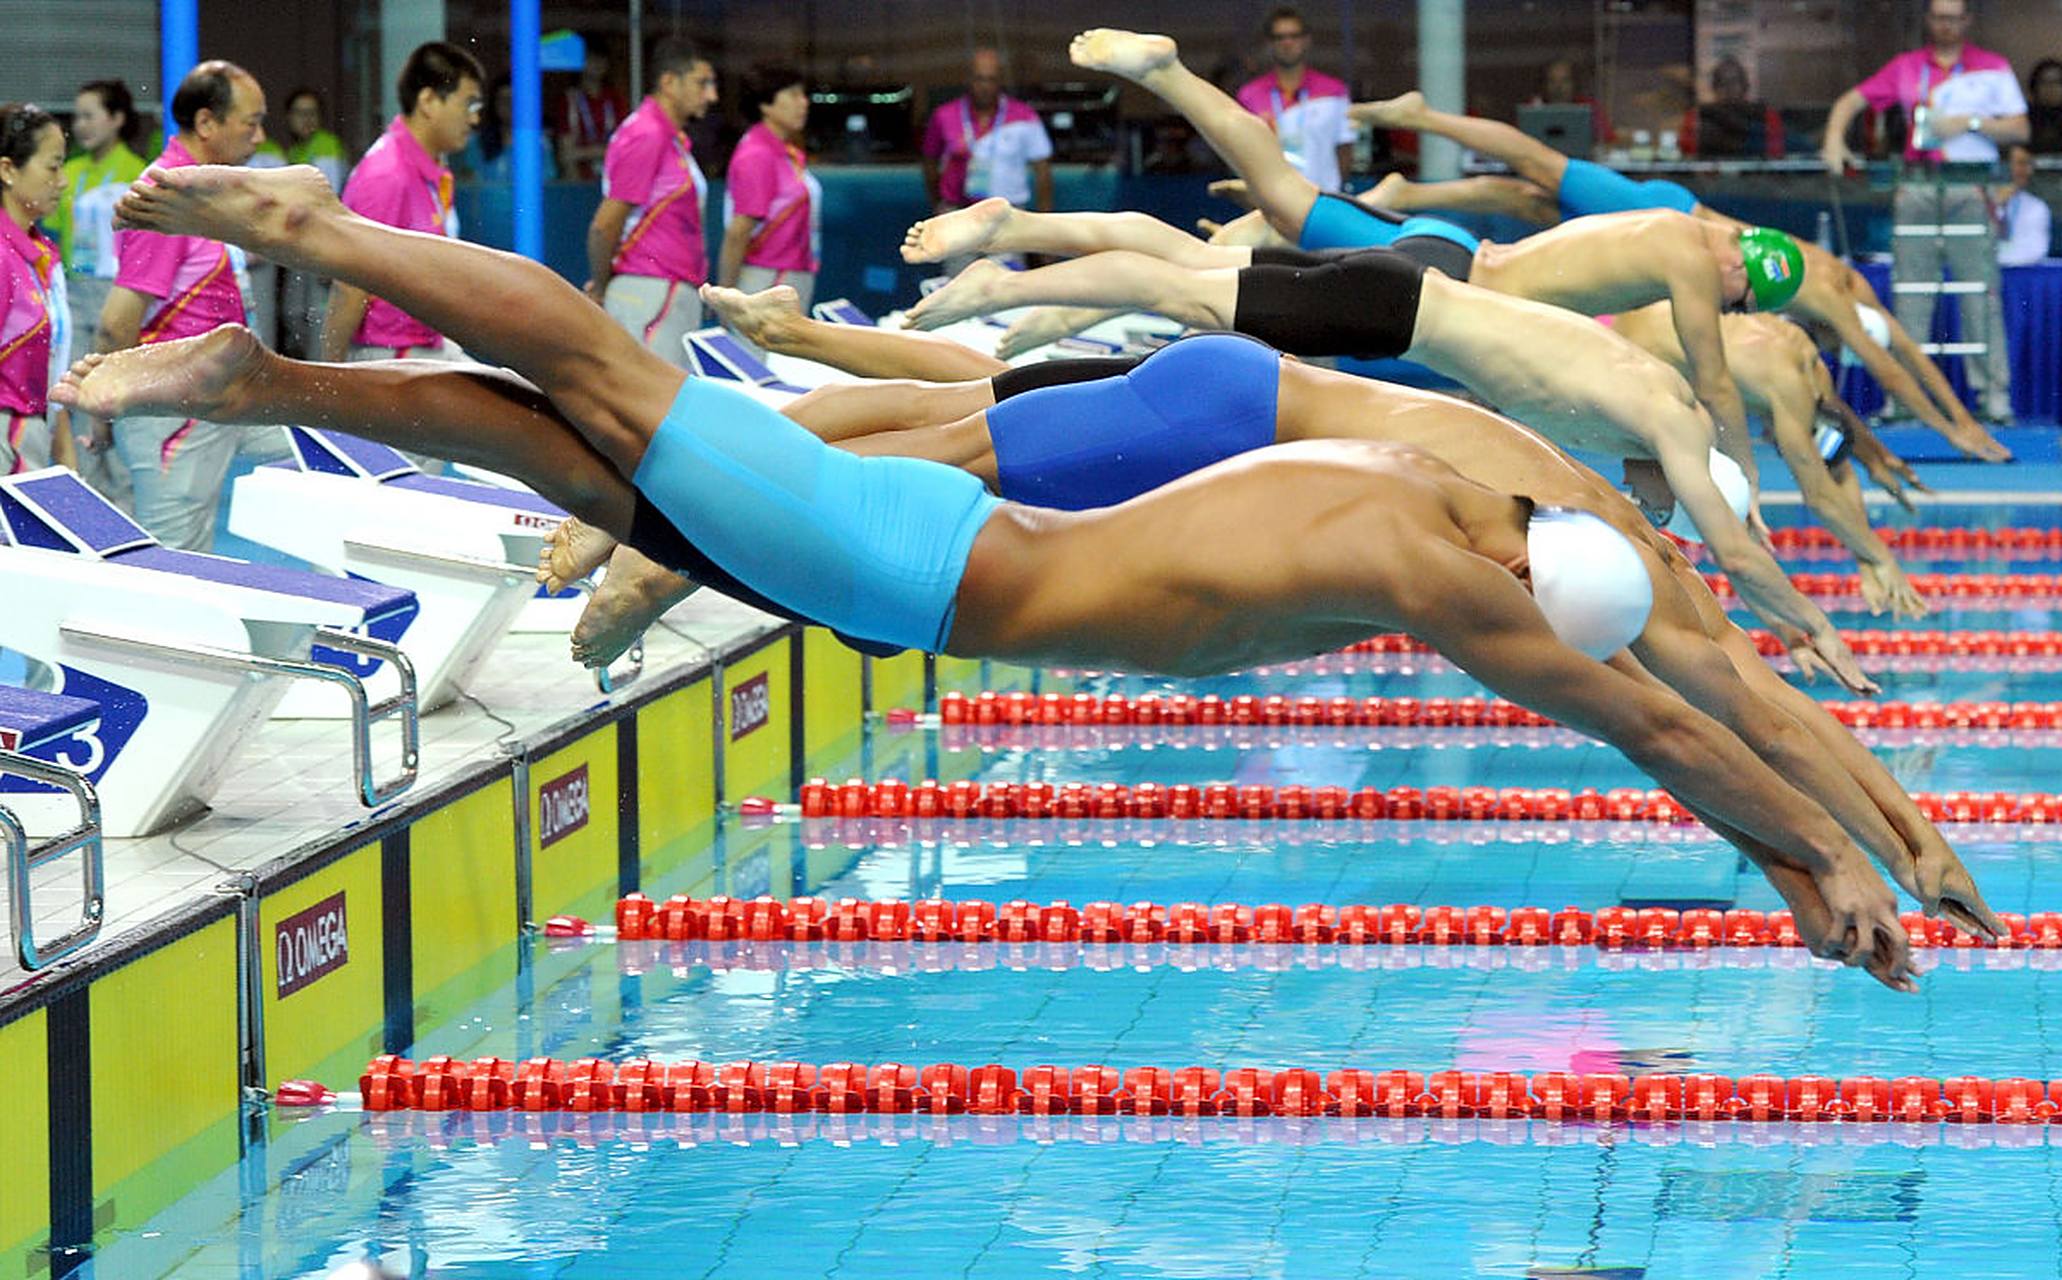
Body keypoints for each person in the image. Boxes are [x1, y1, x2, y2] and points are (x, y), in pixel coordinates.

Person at [69, 164, 1941, 988]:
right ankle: (313, 237)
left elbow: (1663, 700)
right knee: (603, 386)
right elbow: (1645, 717)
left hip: (938, 543)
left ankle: (267, 374)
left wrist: (1821, 851)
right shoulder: (1441, 575)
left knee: (588, 453)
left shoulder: (1426, 482)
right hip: (912, 574)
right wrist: (1816, 862)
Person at [1025, 33, 1777, 506]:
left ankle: (1157, 93)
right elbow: (1709, 384)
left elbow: (1508, 184)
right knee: (1218, 281)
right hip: (1436, 281)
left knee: (1266, 215)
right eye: (1740, 296)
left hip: (1434, 243)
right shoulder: (1671, 260)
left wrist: (1402, 183)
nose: (1727, 303)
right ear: (1738, 262)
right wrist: (1733, 473)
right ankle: (1039, 281)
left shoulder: (1646, 224)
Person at [1343, 83, 2016, 461]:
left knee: (1534, 199)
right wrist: (1958, 432)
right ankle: (1421, 117)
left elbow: (1902, 351)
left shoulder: (1840, 278)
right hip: (1668, 214)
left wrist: (1948, 422)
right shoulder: (1831, 294)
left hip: (1681, 216)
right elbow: (1891, 363)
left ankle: (1409, 195)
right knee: (1542, 169)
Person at [1822, 0, 2026, 424]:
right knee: (1910, 296)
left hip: (1970, 188)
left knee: (1980, 294)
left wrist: (1970, 124)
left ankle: (1995, 398)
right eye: (1938, 17)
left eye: (1953, 17)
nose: (1945, 25)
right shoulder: (1907, 66)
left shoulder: (1992, 66)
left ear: (1967, 21)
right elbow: (1849, 102)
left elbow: (2020, 129)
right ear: (1929, 21)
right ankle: (1903, 401)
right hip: (1915, 186)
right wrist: (1833, 140)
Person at [89, 60, 265, 550]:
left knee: (327, 457)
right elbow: (115, 323)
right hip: (170, 418)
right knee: (174, 573)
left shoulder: (204, 192)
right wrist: (103, 414)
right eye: (250, 124)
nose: (259, 137)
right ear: (207, 123)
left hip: (221, 401)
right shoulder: (164, 197)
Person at [325, 44, 480, 367]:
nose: (475, 117)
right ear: (428, 102)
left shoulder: (428, 168)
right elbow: (350, 285)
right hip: (393, 354)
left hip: (427, 344)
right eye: (468, 103)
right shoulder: (386, 176)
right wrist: (332, 384)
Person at [585, 38, 719, 366]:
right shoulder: (647, 135)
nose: (712, 95)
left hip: (667, 293)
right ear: (669, 82)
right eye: (702, 83)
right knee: (652, 413)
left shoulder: (668, 138)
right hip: (649, 293)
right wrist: (601, 287)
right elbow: (605, 225)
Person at [919, 47, 1055, 274]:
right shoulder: (944, 115)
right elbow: (929, 162)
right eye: (979, 79)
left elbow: (1043, 173)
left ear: (1000, 80)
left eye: (991, 79)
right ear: (968, 79)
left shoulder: (1024, 116)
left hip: (1005, 219)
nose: (984, 86)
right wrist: (939, 204)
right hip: (958, 216)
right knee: (957, 289)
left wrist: (1044, 230)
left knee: (1005, 289)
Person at [0, 104, 76, 475]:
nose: (62, 181)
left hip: (32, 436)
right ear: (8, 170)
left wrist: (66, 458)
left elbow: (50, 366)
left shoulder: (41, 254)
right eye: (52, 166)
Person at [717, 67, 820, 320]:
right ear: (766, 105)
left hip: (790, 275)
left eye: (804, 95)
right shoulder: (758, 154)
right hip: (766, 280)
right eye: (793, 95)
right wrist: (727, 297)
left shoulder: (785, 151)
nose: (804, 103)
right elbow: (737, 232)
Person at [1235, 7, 1356, 194]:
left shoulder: (1334, 91)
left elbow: (1345, 149)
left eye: (1294, 35)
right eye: (1280, 37)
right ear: (1269, 42)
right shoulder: (1249, 95)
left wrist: (1335, 193)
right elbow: (1240, 153)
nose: (1287, 42)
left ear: (1307, 40)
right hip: (1270, 203)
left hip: (1323, 200)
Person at [456, 76, 561, 185]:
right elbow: (469, 183)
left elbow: (548, 184)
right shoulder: (477, 142)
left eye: (514, 100)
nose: (509, 105)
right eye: (504, 100)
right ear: (494, 104)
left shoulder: (539, 144)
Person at [1678, 56, 1783, 159]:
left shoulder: (1767, 115)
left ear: (1745, 86)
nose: (1729, 87)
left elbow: (1775, 157)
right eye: (1721, 82)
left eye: (1734, 81)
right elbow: (1686, 158)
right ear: (1714, 88)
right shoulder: (1696, 116)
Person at [559, 43, 629, 182]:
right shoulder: (569, 100)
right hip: (579, 181)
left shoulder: (615, 99)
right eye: (590, 58)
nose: (597, 63)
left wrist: (584, 152)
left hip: (613, 181)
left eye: (601, 59)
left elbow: (625, 149)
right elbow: (566, 154)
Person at [1528, 56, 1612, 148]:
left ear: (1575, 83)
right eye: (1552, 81)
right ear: (1544, 84)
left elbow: (1608, 140)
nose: (1558, 87)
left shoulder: (1589, 107)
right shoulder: (1533, 110)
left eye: (1565, 80)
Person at [1994, 142, 2051, 266]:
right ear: (2002, 165)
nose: (2028, 171)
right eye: (2022, 164)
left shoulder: (2037, 207)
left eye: (2031, 165)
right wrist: (1996, 206)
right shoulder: (1975, 202)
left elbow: (2036, 251)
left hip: (2021, 278)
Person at [2029, 58, 2062, 154]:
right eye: (2044, 82)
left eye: (2057, 82)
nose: (2051, 88)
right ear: (2035, 87)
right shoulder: (2025, 118)